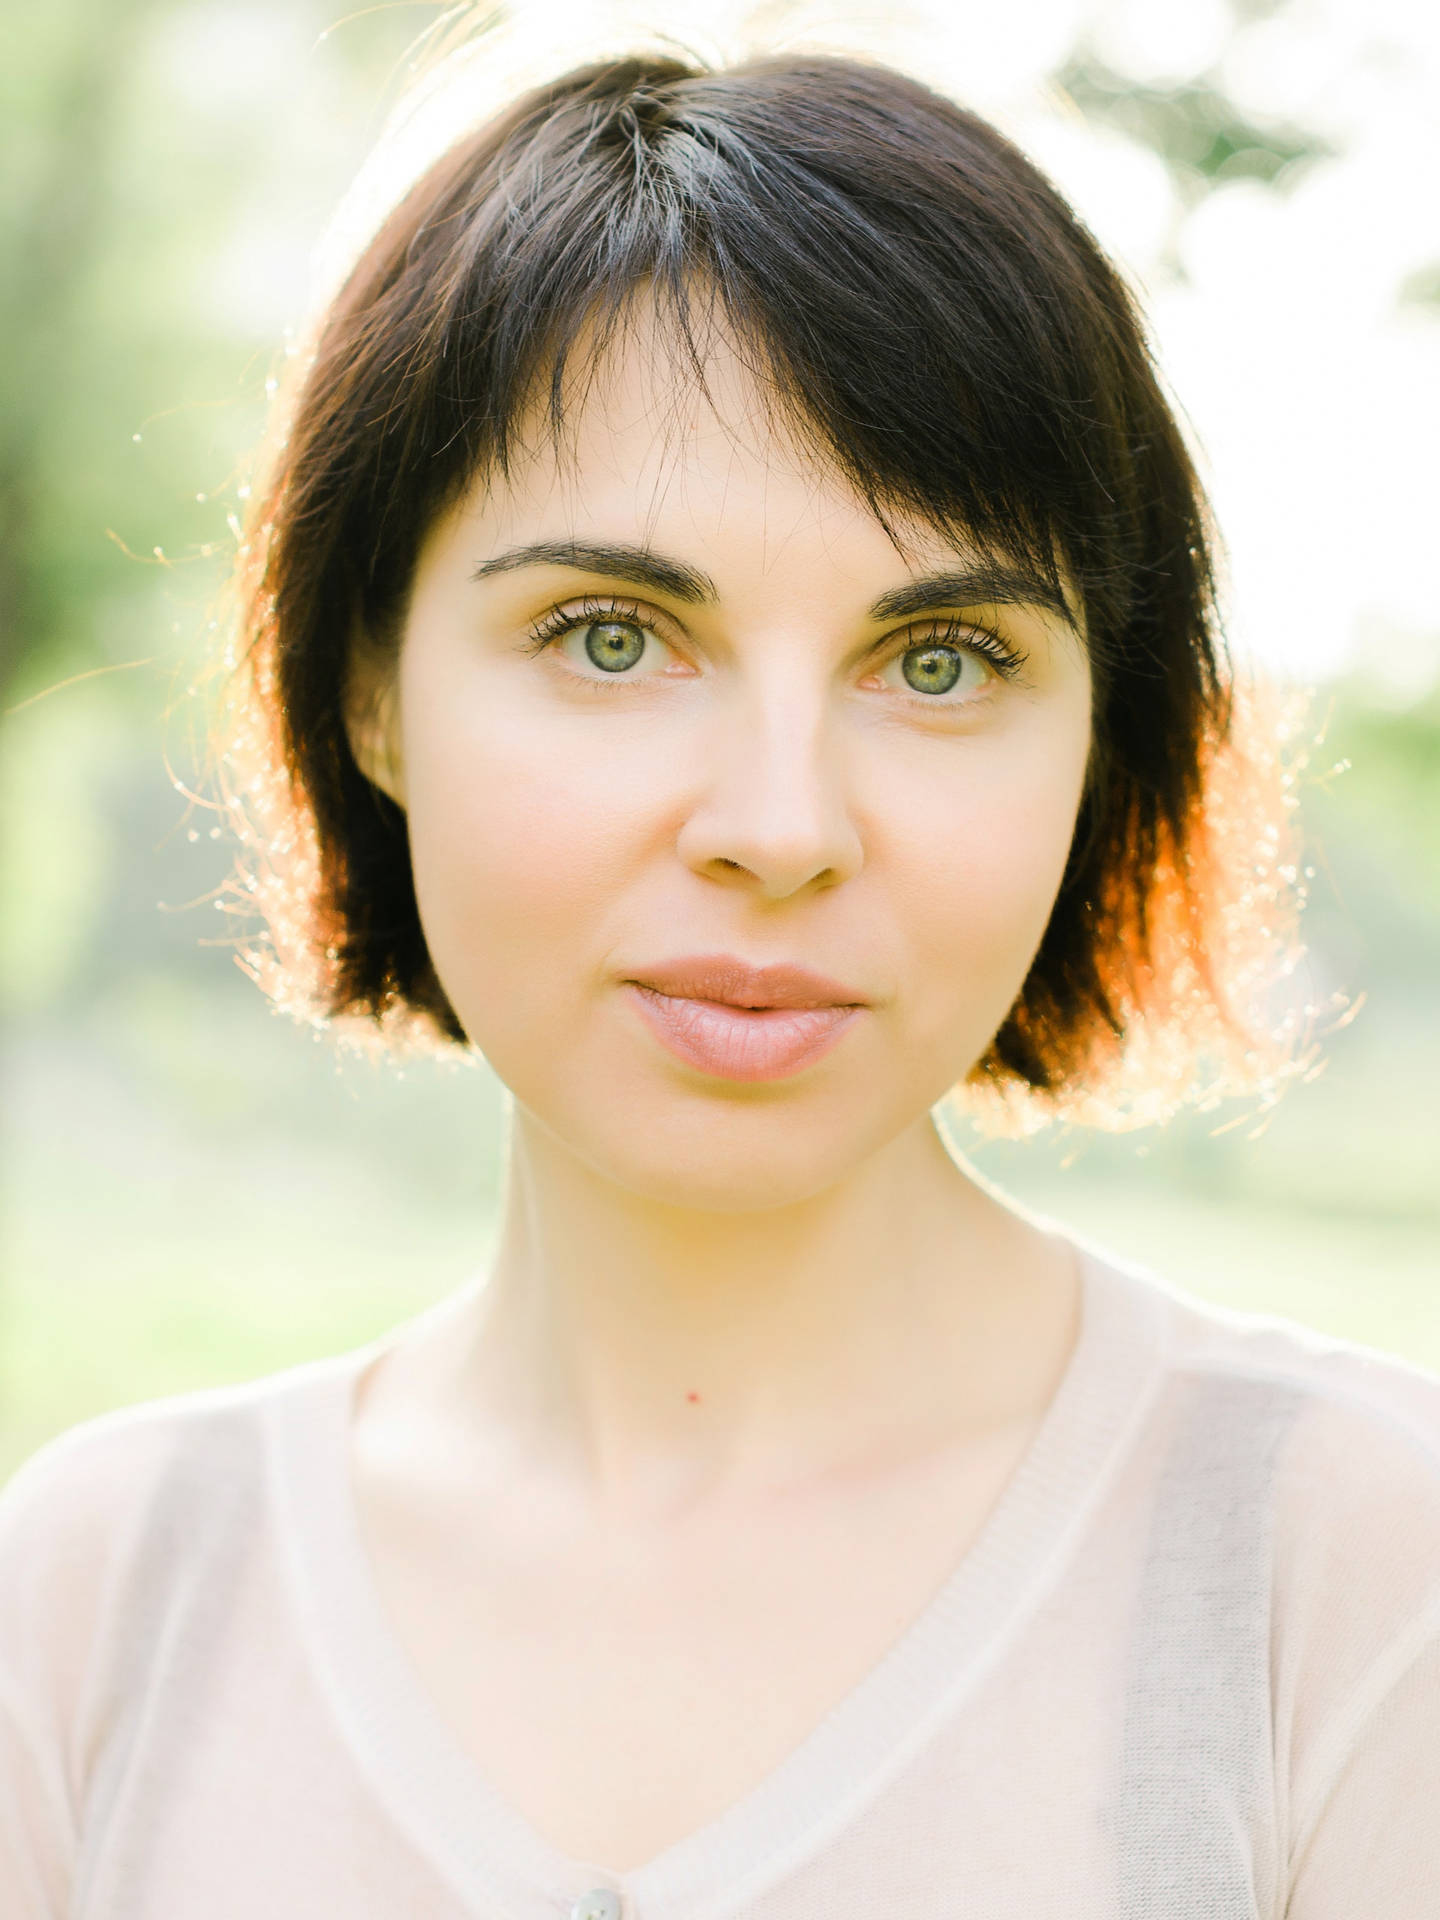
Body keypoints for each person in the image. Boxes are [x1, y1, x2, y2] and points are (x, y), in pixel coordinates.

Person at [2, 46, 1437, 1920]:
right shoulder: (101, 1605)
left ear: (1102, 742)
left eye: (936, 661)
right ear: (370, 688)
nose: (781, 827)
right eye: (612, 637)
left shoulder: (1348, 1572)